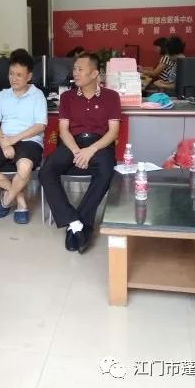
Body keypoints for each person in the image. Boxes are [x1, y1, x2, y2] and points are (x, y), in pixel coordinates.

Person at [39, 53, 121, 253]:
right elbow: (64, 130)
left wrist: (90, 150)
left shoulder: (111, 96)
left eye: (80, 69)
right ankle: (75, 223)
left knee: (107, 171)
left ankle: (79, 225)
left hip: (99, 144)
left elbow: (113, 132)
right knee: (46, 171)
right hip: (72, 143)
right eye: (74, 69)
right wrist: (77, 151)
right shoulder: (67, 97)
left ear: (94, 74)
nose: (75, 73)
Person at [0, 48, 47, 224]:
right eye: (11, 73)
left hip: (29, 141)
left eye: (19, 75)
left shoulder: (38, 95)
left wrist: (14, 140)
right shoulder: (2, 96)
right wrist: (4, 143)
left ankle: (6, 200)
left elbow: (40, 125)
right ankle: (20, 200)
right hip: (4, 139)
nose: (13, 78)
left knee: (24, 169)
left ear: (29, 76)